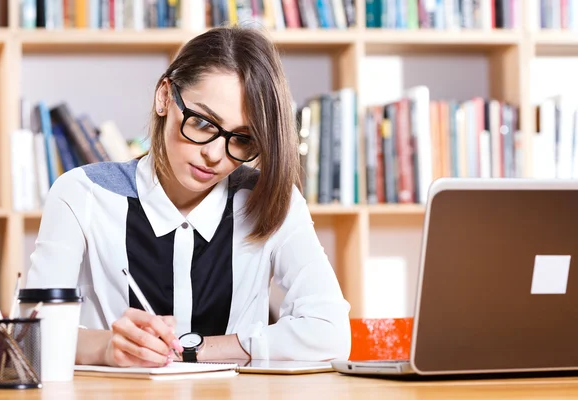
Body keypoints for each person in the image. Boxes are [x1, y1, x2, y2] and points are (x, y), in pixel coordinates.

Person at [25, 25, 351, 368]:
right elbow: (31, 334)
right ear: (165, 96)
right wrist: (107, 347)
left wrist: (195, 350)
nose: (215, 154)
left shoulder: (272, 199)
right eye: (203, 123)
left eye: (242, 139)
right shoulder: (83, 194)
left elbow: (330, 332)